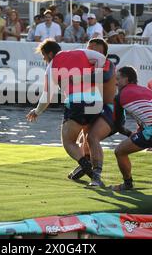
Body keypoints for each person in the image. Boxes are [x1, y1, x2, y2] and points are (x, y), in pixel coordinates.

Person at [26, 39, 106, 182]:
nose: (44, 60)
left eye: (44, 56)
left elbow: (47, 95)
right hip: (96, 101)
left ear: (50, 54)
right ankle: (95, 171)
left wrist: (37, 111)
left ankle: (90, 172)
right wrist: (95, 75)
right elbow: (101, 58)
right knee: (90, 138)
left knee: (68, 142)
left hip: (76, 102)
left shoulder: (51, 66)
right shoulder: (81, 52)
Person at [68, 38, 132, 187]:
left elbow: (103, 77)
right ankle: (86, 164)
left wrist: (78, 77)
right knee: (83, 136)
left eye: (91, 50)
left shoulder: (107, 64)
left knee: (92, 137)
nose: (87, 52)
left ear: (101, 53)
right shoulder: (85, 67)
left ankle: (96, 175)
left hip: (110, 110)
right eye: (87, 48)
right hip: (95, 108)